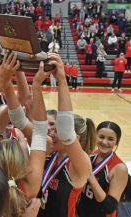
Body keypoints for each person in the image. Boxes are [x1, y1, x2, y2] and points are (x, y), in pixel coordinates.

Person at [37, 53, 92, 217]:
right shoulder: (49, 152)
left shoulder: (80, 164)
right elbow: (34, 123)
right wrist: (36, 85)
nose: (51, 133)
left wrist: (62, 80)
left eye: (56, 129)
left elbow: (66, 131)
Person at [77, 121, 128, 217]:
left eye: (110, 139)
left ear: (117, 141)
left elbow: (110, 207)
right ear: (96, 136)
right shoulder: (93, 155)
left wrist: (91, 178)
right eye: (101, 137)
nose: (104, 142)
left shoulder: (120, 169)